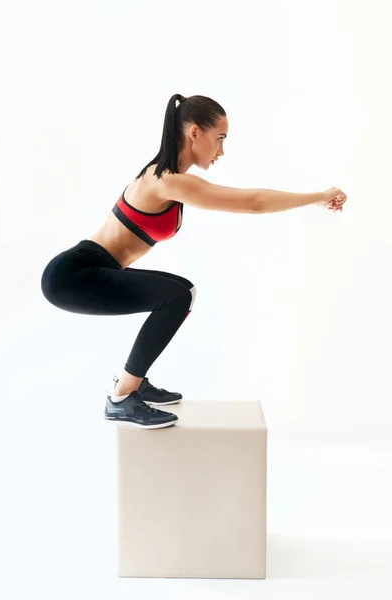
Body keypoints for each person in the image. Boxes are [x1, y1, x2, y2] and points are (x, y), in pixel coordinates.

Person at [40, 93, 347, 430]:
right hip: (74, 274)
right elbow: (253, 202)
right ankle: (121, 398)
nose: (221, 151)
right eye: (220, 139)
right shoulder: (165, 181)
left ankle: (134, 383)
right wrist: (317, 197)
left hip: (90, 269)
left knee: (183, 291)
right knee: (177, 297)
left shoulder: (167, 177)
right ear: (195, 133)